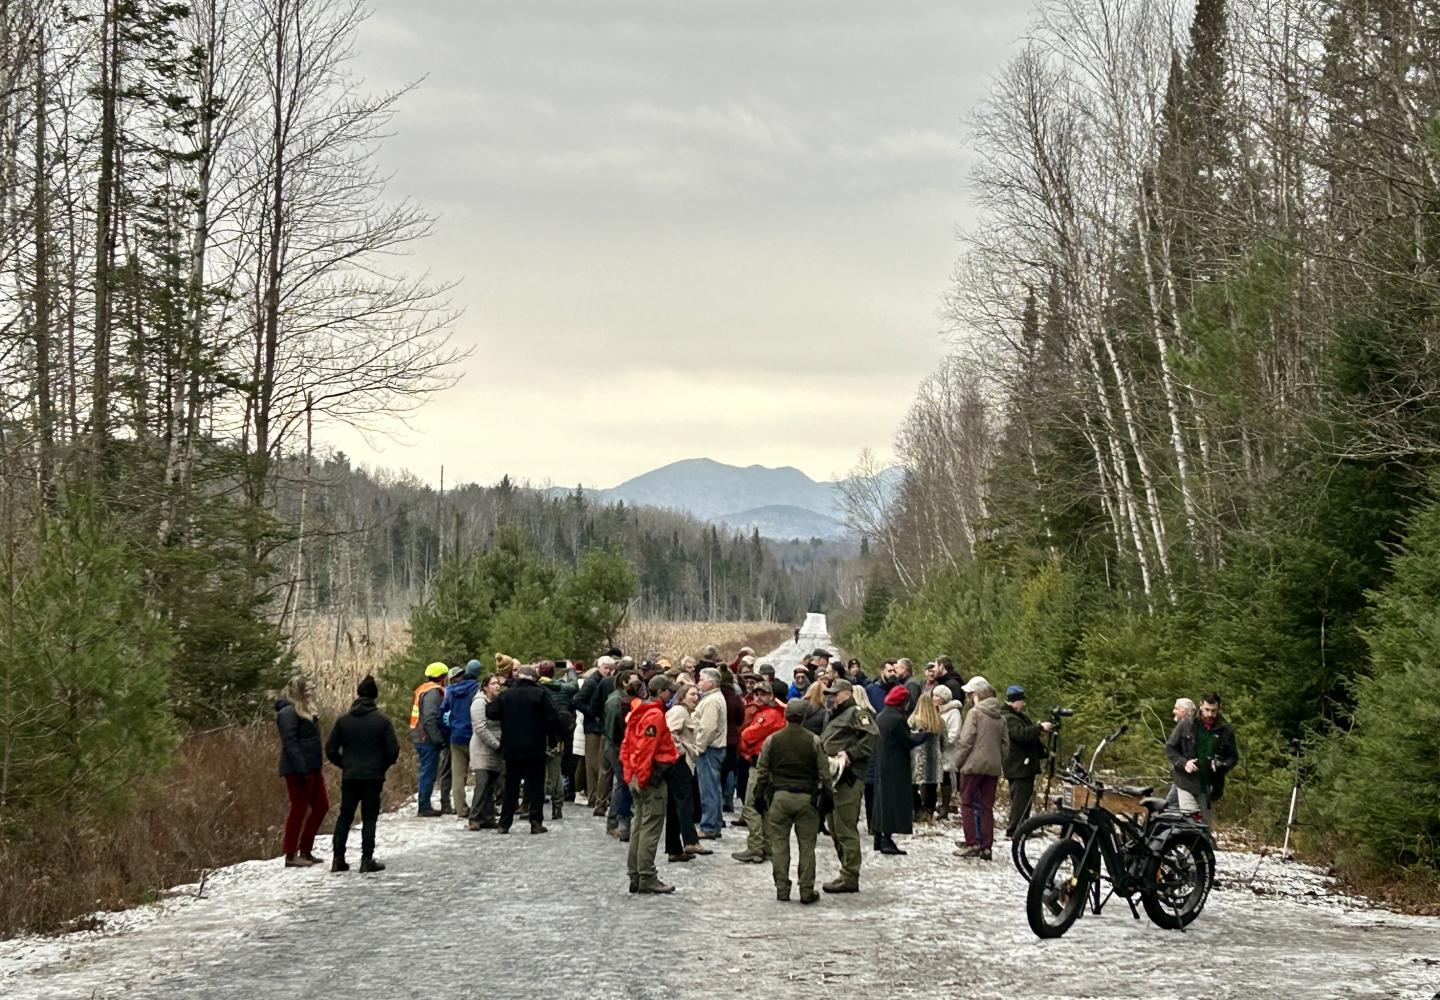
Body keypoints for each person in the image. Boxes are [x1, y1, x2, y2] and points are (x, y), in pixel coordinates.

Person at [754, 698, 832, 904]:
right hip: (807, 798)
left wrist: (758, 796)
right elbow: (825, 773)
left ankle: (782, 888)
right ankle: (806, 890)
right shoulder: (814, 740)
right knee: (807, 846)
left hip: (779, 797)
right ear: (805, 717)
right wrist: (828, 797)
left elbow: (762, 771)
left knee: (779, 844)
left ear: (786, 716)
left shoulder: (773, 740)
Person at [325, 675, 400, 873]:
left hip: (350, 775)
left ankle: (338, 858)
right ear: (375, 696)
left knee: (345, 816)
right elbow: (393, 751)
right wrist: (381, 766)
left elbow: (330, 749)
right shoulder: (382, 721)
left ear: (357, 694)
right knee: (369, 817)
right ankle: (366, 859)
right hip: (373, 776)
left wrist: (345, 765)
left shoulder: (343, 721)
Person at [486, 663, 562, 835]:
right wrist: (552, 740)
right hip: (535, 747)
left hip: (512, 748)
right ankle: (535, 822)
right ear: (533, 678)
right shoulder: (541, 694)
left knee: (511, 785)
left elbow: (490, 712)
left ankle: (504, 824)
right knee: (536, 785)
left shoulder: (507, 695)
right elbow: (552, 718)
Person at [817, 678, 878, 893]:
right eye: (828, 694)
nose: (830, 697)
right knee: (834, 827)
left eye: (834, 693)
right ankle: (845, 870)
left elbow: (872, 736)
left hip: (848, 778)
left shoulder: (856, 713)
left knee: (845, 828)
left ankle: (850, 876)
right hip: (832, 778)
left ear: (847, 693)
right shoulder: (833, 714)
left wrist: (851, 754)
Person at [621, 675, 680, 894]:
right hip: (651, 777)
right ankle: (647, 875)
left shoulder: (638, 713)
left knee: (639, 825)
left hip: (639, 775)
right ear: (661, 692)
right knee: (650, 827)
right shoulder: (654, 715)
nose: (672, 695)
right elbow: (645, 749)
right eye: (669, 692)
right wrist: (643, 777)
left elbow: (627, 746)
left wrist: (631, 775)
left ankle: (635, 874)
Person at [954, 677, 1009, 860]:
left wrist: (958, 762)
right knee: (987, 807)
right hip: (992, 767)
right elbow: (1005, 745)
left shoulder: (975, 713)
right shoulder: (1000, 717)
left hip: (973, 765)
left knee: (967, 803)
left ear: (977, 695)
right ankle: (987, 846)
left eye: (970, 694)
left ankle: (972, 843)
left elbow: (966, 741)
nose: (969, 697)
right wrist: (998, 760)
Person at [276, 675, 329, 867]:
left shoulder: (308, 711)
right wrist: (300, 769)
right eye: (308, 689)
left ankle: (306, 850)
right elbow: (289, 742)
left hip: (313, 766)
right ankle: (291, 854)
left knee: (321, 806)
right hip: (298, 769)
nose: (312, 692)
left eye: (313, 688)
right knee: (298, 809)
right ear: (299, 692)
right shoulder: (288, 714)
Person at [731, 683, 786, 863]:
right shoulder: (770, 713)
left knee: (751, 805)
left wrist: (746, 745)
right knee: (764, 807)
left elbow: (748, 736)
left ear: (771, 695)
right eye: (756, 694)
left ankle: (755, 846)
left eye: (763, 694)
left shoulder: (768, 715)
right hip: (766, 765)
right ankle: (766, 847)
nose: (758, 697)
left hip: (761, 766)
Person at [1165, 692, 1238, 826]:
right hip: (1186, 781)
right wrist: (1184, 763)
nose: (1210, 715)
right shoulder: (1186, 724)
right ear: (1200, 706)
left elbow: (1233, 757)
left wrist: (1222, 766)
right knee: (1192, 822)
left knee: (1203, 827)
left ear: (1219, 709)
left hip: (1209, 785)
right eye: (1207, 710)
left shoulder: (1226, 730)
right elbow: (1170, 748)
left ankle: (1198, 845)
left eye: (1214, 711)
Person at [873, 684, 927, 854]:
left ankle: (879, 837)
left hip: (882, 762)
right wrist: (924, 735)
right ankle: (886, 839)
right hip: (895, 765)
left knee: (882, 800)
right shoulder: (897, 719)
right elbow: (908, 741)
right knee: (892, 801)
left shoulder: (882, 716)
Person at [1000, 684, 1052, 839]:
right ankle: (1015, 830)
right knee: (1020, 800)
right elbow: (1021, 735)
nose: (1023, 703)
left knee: (1024, 799)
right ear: (1014, 701)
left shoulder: (1018, 716)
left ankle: (1022, 828)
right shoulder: (1008, 718)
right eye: (1021, 700)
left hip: (1023, 764)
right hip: (1018, 765)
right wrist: (1039, 728)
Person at [664, 683, 709, 862]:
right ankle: (690, 840)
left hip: (681, 762)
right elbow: (669, 733)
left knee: (675, 807)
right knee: (684, 803)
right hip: (678, 763)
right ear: (682, 695)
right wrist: (681, 749)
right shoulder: (678, 711)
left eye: (698, 695)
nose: (696, 697)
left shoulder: (685, 712)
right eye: (692, 694)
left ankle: (674, 850)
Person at [574, 655, 616, 814]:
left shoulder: (604, 681)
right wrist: (593, 714)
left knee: (598, 764)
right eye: (606, 667)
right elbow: (577, 701)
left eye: (611, 668)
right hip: (592, 727)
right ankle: (594, 797)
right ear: (599, 667)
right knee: (593, 765)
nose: (609, 671)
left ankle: (598, 797)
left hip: (599, 726)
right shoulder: (592, 682)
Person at [538, 660, 579, 821]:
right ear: (553, 673)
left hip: (541, 734)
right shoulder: (564, 689)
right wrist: (570, 669)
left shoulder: (538, 689)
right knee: (556, 771)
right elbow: (574, 685)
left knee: (539, 771)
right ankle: (557, 806)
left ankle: (537, 802)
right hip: (559, 734)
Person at [442, 660, 481, 817]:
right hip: (474, 736)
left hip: (456, 736)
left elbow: (442, 711)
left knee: (458, 776)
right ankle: (482, 807)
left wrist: (448, 731)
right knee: (481, 773)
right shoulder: (477, 688)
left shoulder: (450, 690)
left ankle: (461, 809)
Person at [692, 666, 728, 839]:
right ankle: (715, 823)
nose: (698, 682)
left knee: (709, 789)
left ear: (711, 683)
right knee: (714, 788)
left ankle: (709, 826)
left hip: (710, 749)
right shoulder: (712, 698)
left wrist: (698, 747)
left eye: (701, 679)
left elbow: (708, 728)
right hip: (715, 748)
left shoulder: (712, 701)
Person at [410, 662, 449, 816]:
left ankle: (424, 804)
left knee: (427, 771)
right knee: (428, 772)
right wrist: (439, 740)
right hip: (427, 739)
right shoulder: (433, 693)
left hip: (419, 735)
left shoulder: (423, 689)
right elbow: (430, 719)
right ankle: (424, 807)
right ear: (442, 677)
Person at [467, 673, 505, 829]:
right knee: (482, 784)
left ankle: (488, 816)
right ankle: (474, 818)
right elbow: (480, 728)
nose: (497, 686)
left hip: (495, 749)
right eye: (493, 683)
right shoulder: (479, 703)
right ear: (485, 686)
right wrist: (496, 744)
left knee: (491, 786)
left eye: (498, 683)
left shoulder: (496, 702)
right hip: (482, 749)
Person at [909, 688, 946, 823]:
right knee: (931, 787)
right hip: (934, 758)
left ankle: (918, 809)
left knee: (913, 786)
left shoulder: (913, 720)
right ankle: (929, 811)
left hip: (918, 758)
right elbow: (944, 741)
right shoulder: (939, 721)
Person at [935, 686, 965, 820]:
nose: (934, 698)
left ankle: (945, 806)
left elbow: (955, 731)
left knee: (945, 777)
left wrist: (944, 742)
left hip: (948, 750)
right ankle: (937, 803)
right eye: (934, 695)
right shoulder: (935, 711)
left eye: (938, 696)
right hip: (935, 750)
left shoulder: (953, 712)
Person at [1164, 698, 1197, 806]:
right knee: (1169, 806)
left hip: (1189, 779)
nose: (1173, 711)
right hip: (1181, 777)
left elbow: (1170, 747)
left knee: (1169, 807)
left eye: (1176, 708)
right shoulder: (1183, 725)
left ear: (1184, 711)